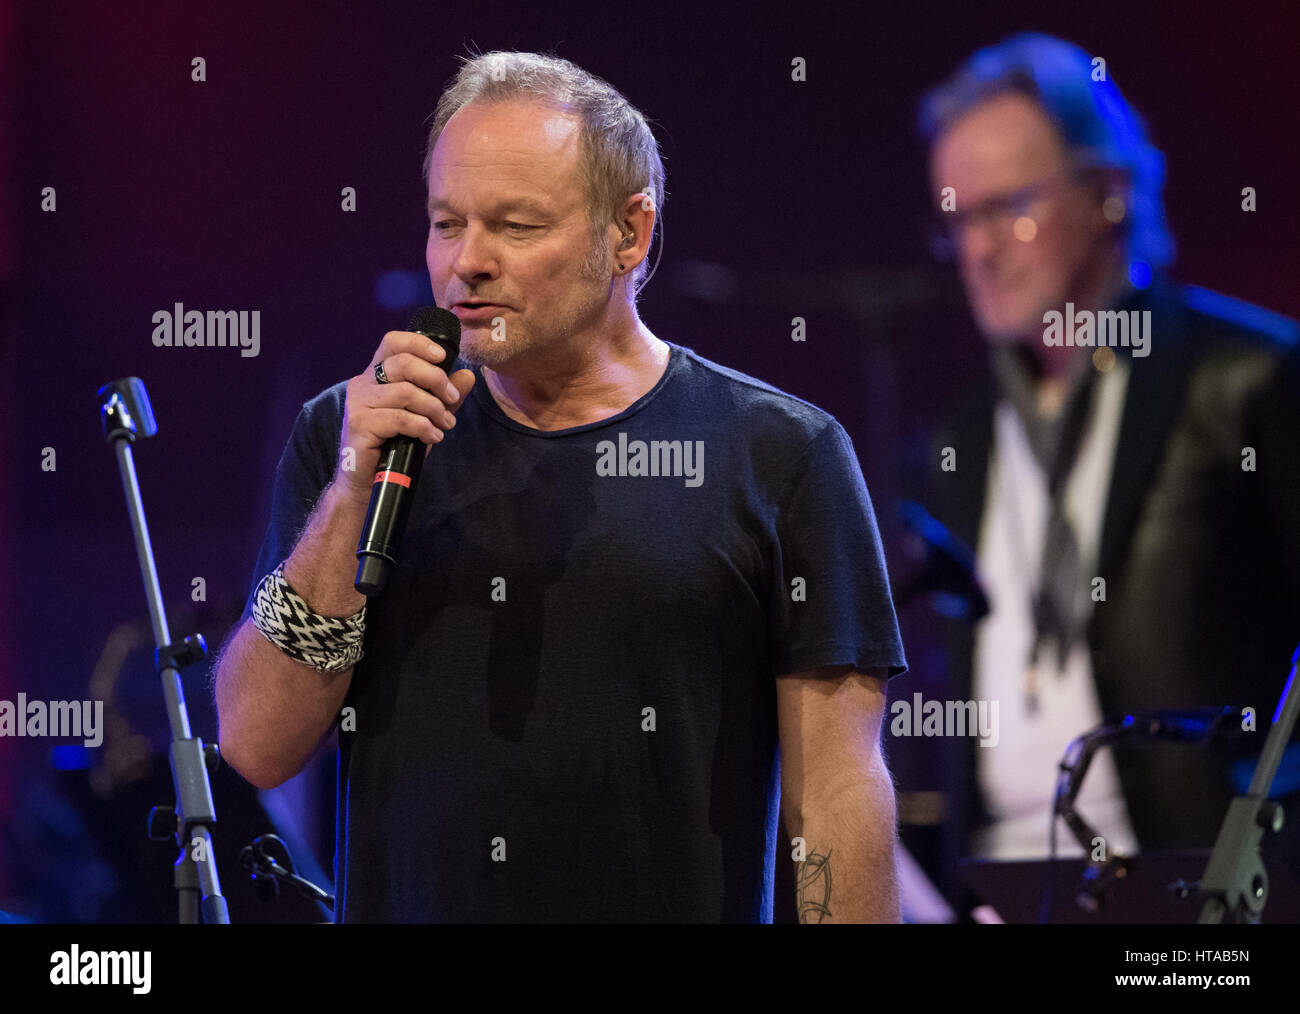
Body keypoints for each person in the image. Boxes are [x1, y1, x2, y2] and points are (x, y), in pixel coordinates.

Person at [214, 50, 907, 923]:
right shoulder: (357, 436)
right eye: (446, 223)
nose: (467, 262)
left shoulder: (780, 453)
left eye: (516, 225)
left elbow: (837, 797)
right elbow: (253, 746)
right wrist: (353, 488)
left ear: (630, 233)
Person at [912, 32, 1300, 895]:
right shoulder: (961, 432)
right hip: (1004, 890)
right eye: (957, 218)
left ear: (1109, 194)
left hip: (1200, 887)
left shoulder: (1245, 377)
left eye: (1007, 206)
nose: (979, 248)